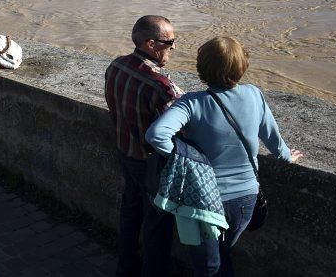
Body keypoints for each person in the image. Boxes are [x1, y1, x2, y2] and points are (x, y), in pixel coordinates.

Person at [146, 36, 303, 277]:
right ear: (243, 66)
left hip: (204, 201)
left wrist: (184, 158)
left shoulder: (191, 103)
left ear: (201, 69)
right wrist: (286, 157)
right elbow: (272, 138)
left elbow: (156, 135)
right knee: (222, 253)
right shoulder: (254, 94)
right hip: (245, 199)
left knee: (208, 267)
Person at [105, 15, 183, 277]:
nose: (173, 47)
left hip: (124, 152)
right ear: (151, 44)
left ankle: (125, 268)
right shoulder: (160, 86)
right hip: (152, 165)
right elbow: (180, 129)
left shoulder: (115, 66)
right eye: (169, 42)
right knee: (157, 228)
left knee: (130, 214)